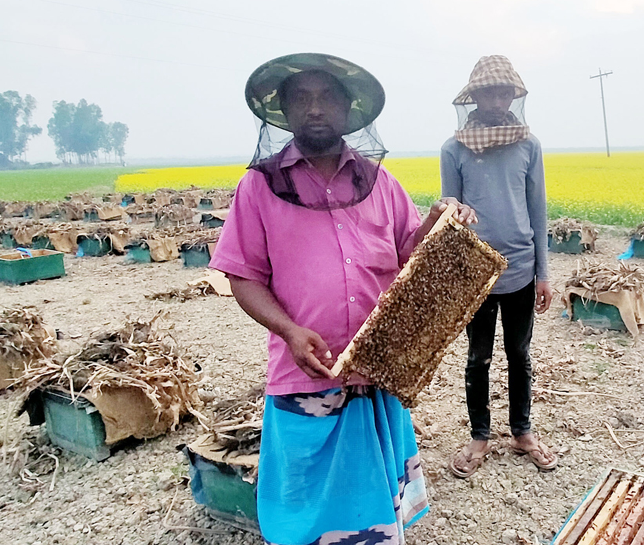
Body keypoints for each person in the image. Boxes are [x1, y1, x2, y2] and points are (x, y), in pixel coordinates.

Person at [210, 53, 475, 545]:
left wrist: (438, 222)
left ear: (348, 108)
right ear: (283, 111)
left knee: (374, 512)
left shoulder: (380, 184)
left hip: (380, 370)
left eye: (326, 96)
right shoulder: (260, 187)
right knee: (305, 518)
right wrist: (289, 331)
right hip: (304, 378)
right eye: (301, 98)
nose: (315, 108)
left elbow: (410, 257)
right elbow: (242, 276)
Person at [441, 55, 558, 478]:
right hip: (474, 272)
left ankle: (523, 432)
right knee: (478, 357)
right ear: (473, 96)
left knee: (520, 354)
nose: (497, 98)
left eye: (505, 91)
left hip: (522, 269)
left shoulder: (529, 144)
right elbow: (449, 216)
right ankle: (479, 435)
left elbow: (537, 209)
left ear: (515, 95)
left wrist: (543, 273)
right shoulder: (453, 148)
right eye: (489, 91)